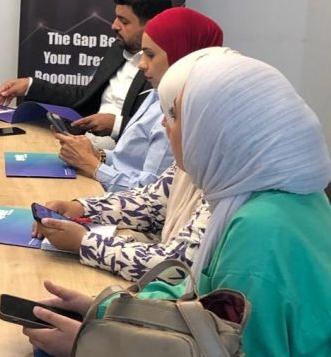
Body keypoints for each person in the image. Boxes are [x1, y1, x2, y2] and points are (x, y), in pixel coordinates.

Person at [20, 51, 331, 356]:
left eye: (177, 116)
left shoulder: (256, 232)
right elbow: (197, 306)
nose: (165, 125)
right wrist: (107, 310)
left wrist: (91, 346)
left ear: (216, 132)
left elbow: (227, 347)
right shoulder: (281, 195)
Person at [33, 47, 234, 281]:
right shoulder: (203, 157)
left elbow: (176, 268)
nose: (164, 123)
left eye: (175, 115)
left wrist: (84, 242)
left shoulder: (232, 188)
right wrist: (80, 208)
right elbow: (152, 202)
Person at [54, 8, 222, 192]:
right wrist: (95, 154)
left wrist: (91, 165)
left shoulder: (182, 113)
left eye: (150, 55)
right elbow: (128, 161)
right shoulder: (157, 92)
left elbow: (150, 193)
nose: (141, 64)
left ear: (182, 56)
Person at [0, 0, 172, 147]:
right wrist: (30, 85)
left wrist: (116, 125)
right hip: (84, 142)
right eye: (116, 17)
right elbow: (86, 96)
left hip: (119, 157)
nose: (114, 26)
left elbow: (161, 129)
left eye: (124, 21)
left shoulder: (166, 67)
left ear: (152, 24)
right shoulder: (118, 49)